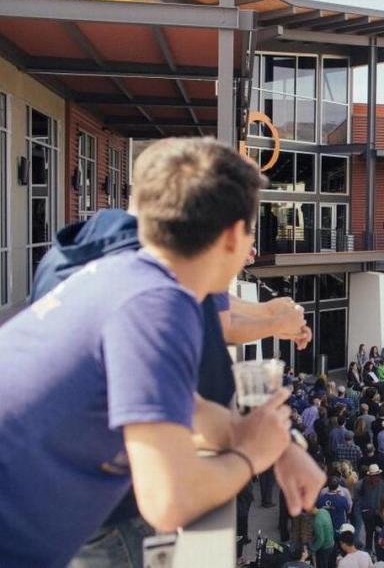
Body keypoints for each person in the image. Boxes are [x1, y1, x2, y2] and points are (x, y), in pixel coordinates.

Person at [0, 138, 299, 568]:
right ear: (235, 236)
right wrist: (252, 457)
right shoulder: (160, 306)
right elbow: (169, 500)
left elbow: (187, 406)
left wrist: (272, 444)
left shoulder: (124, 275)